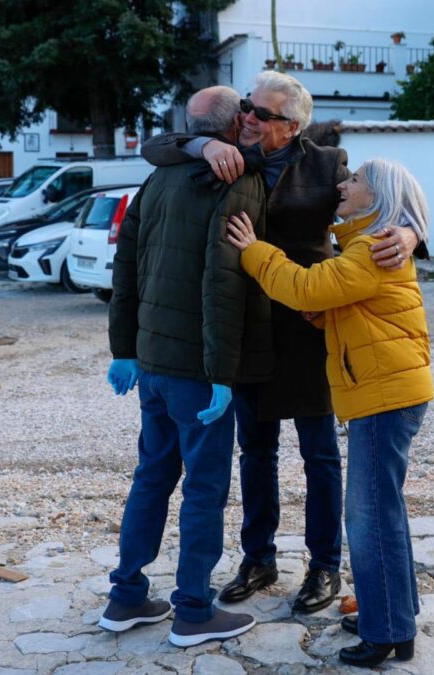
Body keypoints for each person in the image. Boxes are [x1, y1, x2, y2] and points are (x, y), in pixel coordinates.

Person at [142, 70, 425, 613]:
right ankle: (259, 558)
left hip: (310, 328)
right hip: (248, 329)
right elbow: (157, 148)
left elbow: (390, 201)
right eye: (246, 107)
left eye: (261, 113)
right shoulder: (228, 154)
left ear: (293, 126)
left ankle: (324, 566)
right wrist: (202, 144)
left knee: (319, 455)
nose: (247, 118)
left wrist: (412, 234)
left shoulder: (328, 164)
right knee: (256, 453)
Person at [225, 158, 433, 668]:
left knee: (369, 519)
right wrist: (330, 314)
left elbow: (302, 285)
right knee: (383, 514)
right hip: (387, 393)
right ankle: (394, 618)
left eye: (356, 180)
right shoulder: (372, 245)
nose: (344, 184)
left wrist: (254, 250)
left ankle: (386, 633)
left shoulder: (370, 249)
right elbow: (358, 307)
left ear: (377, 195)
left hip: (384, 398)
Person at [99, 85, 274, 648]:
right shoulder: (235, 180)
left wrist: (124, 349)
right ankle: (193, 610)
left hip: (152, 363)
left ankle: (126, 595)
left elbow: (125, 265)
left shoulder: (158, 176)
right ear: (233, 124)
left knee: (151, 476)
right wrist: (223, 374)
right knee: (203, 488)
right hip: (197, 371)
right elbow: (225, 284)